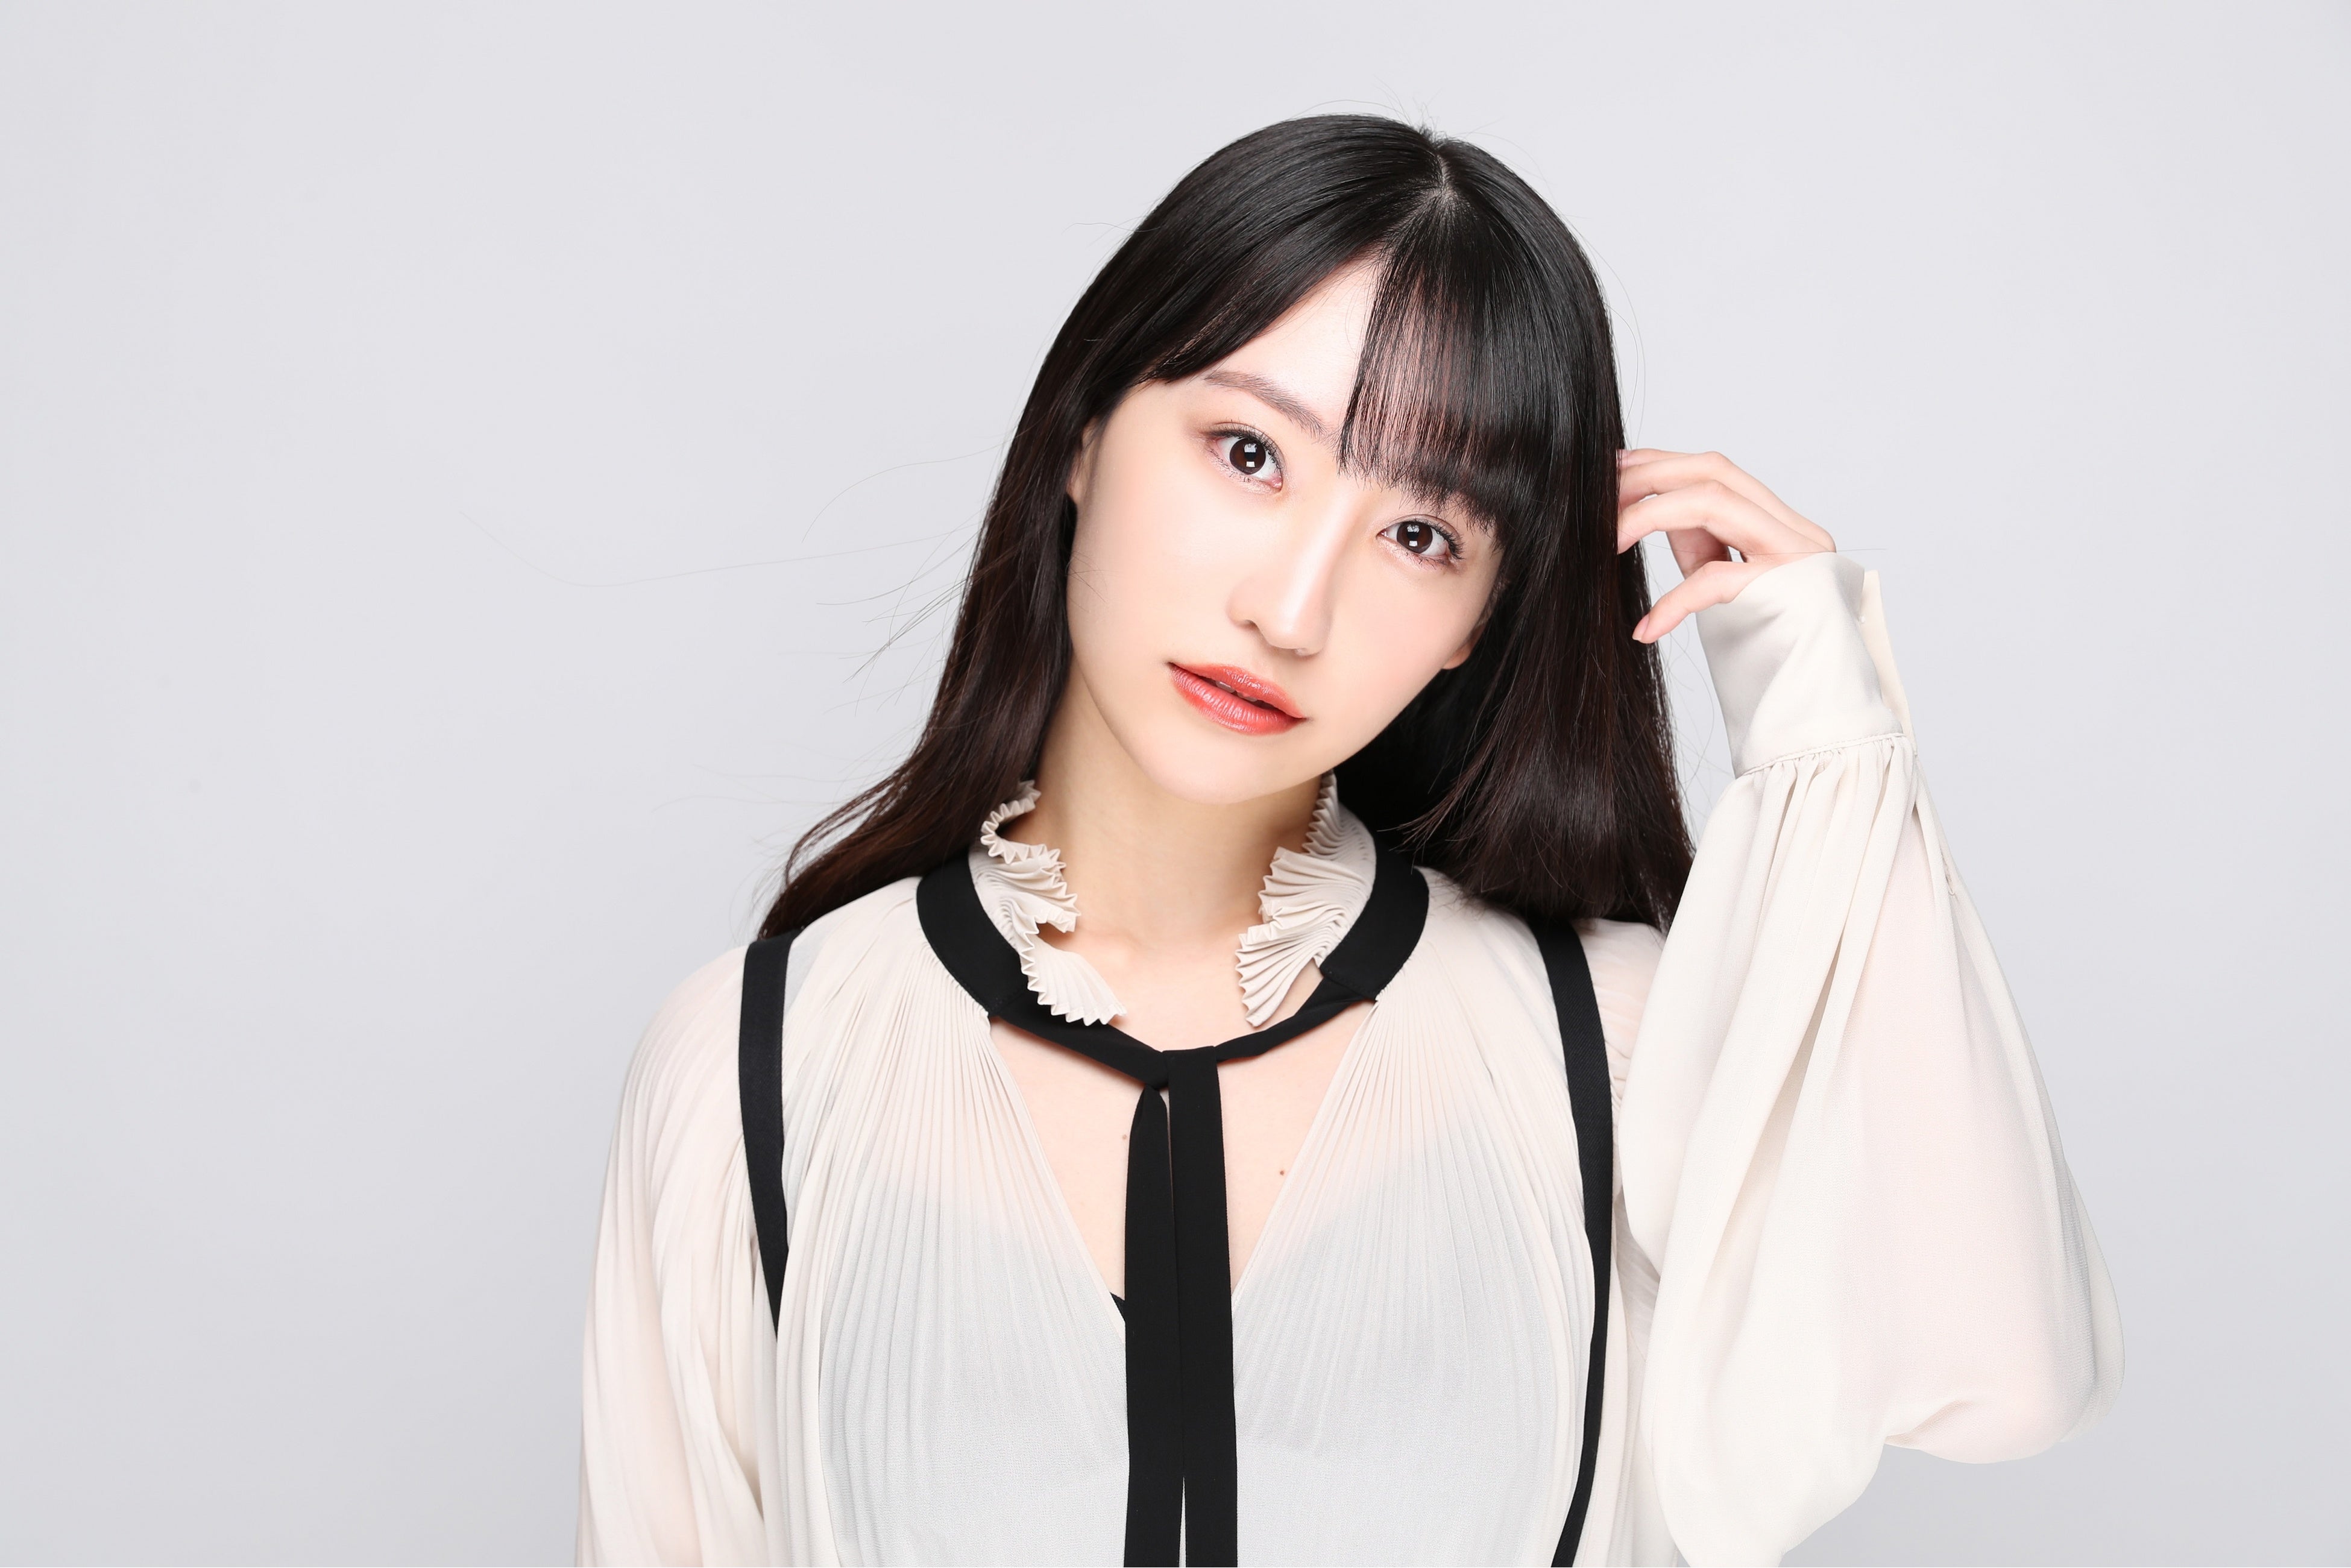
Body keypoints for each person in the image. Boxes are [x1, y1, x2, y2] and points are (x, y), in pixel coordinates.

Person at [575, 115, 2121, 1567]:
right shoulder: (759, 1065)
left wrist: (1825, 721)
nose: (1292, 608)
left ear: (1478, 623)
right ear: (1083, 433)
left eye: (1421, 534)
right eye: (1250, 453)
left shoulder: (1607, 1036)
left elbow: (2003, 1370)